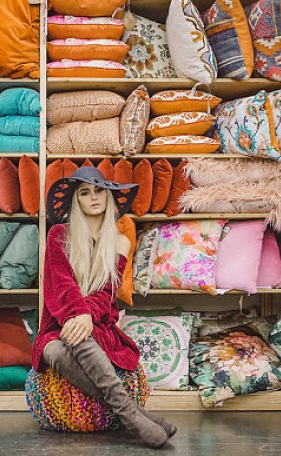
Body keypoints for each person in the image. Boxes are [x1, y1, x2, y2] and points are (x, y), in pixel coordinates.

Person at [32, 166, 176, 449]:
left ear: (109, 197)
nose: (94, 197)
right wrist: (78, 314)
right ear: (77, 200)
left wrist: (87, 317)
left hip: (98, 324)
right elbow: (61, 285)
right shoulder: (59, 235)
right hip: (61, 322)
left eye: (99, 191)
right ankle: (133, 414)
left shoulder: (120, 242)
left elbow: (108, 293)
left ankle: (130, 414)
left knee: (78, 336)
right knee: (53, 348)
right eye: (85, 192)